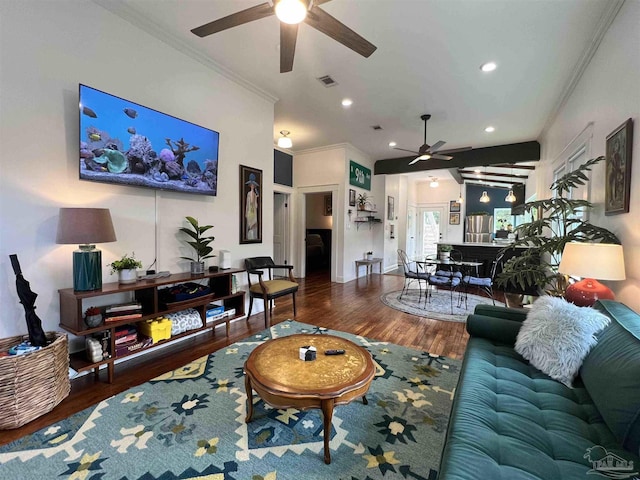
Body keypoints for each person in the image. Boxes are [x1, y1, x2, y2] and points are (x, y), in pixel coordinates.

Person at [245, 173, 259, 240]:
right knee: (249, 223)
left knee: (253, 223)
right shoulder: (248, 194)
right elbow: (248, 204)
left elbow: (256, 205)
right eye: (251, 185)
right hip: (250, 210)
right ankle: (249, 236)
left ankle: (253, 236)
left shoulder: (254, 194)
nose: (252, 186)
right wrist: (246, 212)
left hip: (253, 211)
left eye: (253, 185)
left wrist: (256, 198)